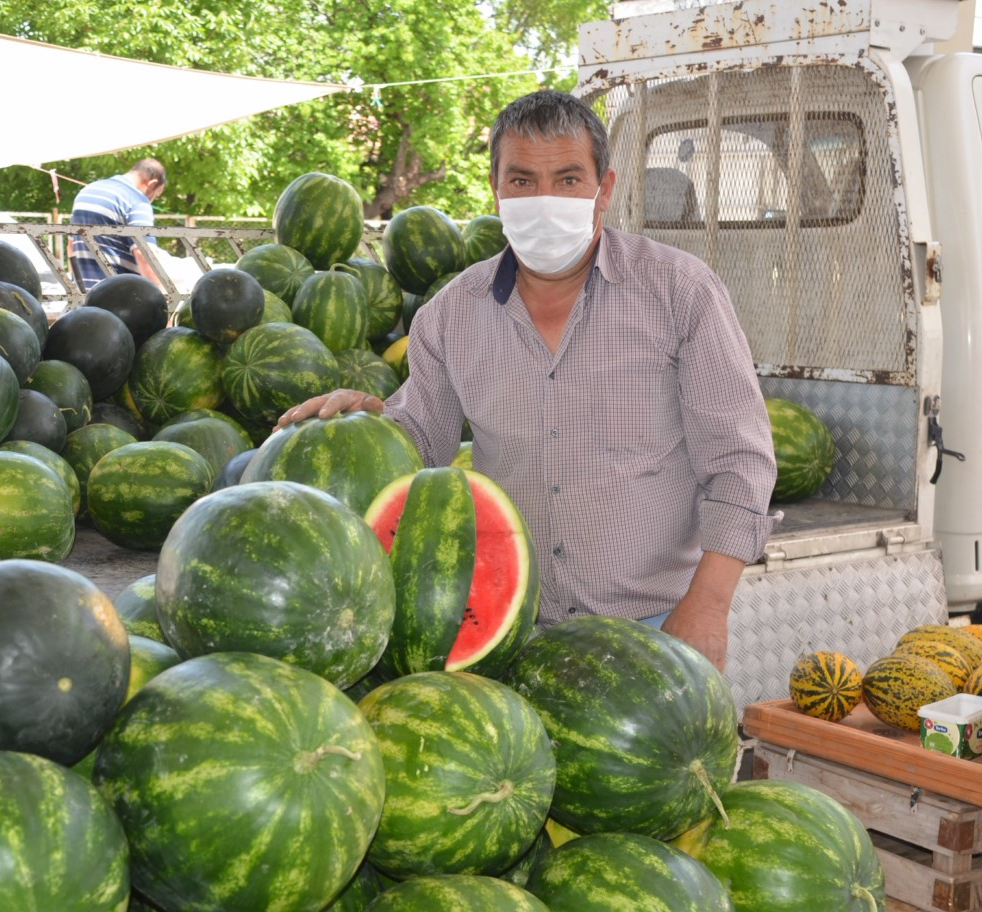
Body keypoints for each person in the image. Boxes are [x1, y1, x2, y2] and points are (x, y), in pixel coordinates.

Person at [278, 90, 777, 671]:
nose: (544, 200)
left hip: (658, 625)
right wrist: (366, 425)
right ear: (496, 189)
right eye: (521, 181)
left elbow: (741, 464)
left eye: (568, 180)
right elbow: (419, 444)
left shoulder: (681, 294)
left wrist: (708, 607)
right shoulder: (450, 314)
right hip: (509, 629)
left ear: (604, 189)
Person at [70, 158, 167, 289]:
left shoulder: (87, 191)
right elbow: (143, 252)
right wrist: (161, 293)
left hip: (84, 297)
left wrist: (76, 288)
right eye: (156, 194)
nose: (152, 200)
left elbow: (71, 246)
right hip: (117, 297)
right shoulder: (137, 200)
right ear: (152, 183)